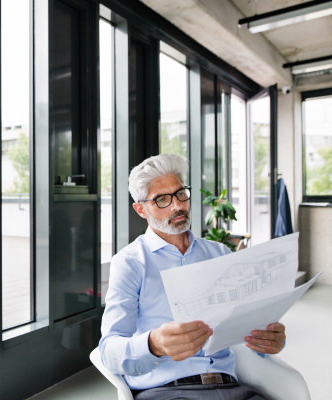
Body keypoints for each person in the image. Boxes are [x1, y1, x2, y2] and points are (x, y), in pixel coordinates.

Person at [99, 154, 286, 400]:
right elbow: (108, 352)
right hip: (167, 390)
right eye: (162, 199)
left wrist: (268, 339)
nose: (177, 206)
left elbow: (244, 326)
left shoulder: (219, 253)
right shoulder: (130, 262)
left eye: (180, 194)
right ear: (141, 209)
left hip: (232, 387)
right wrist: (153, 345)